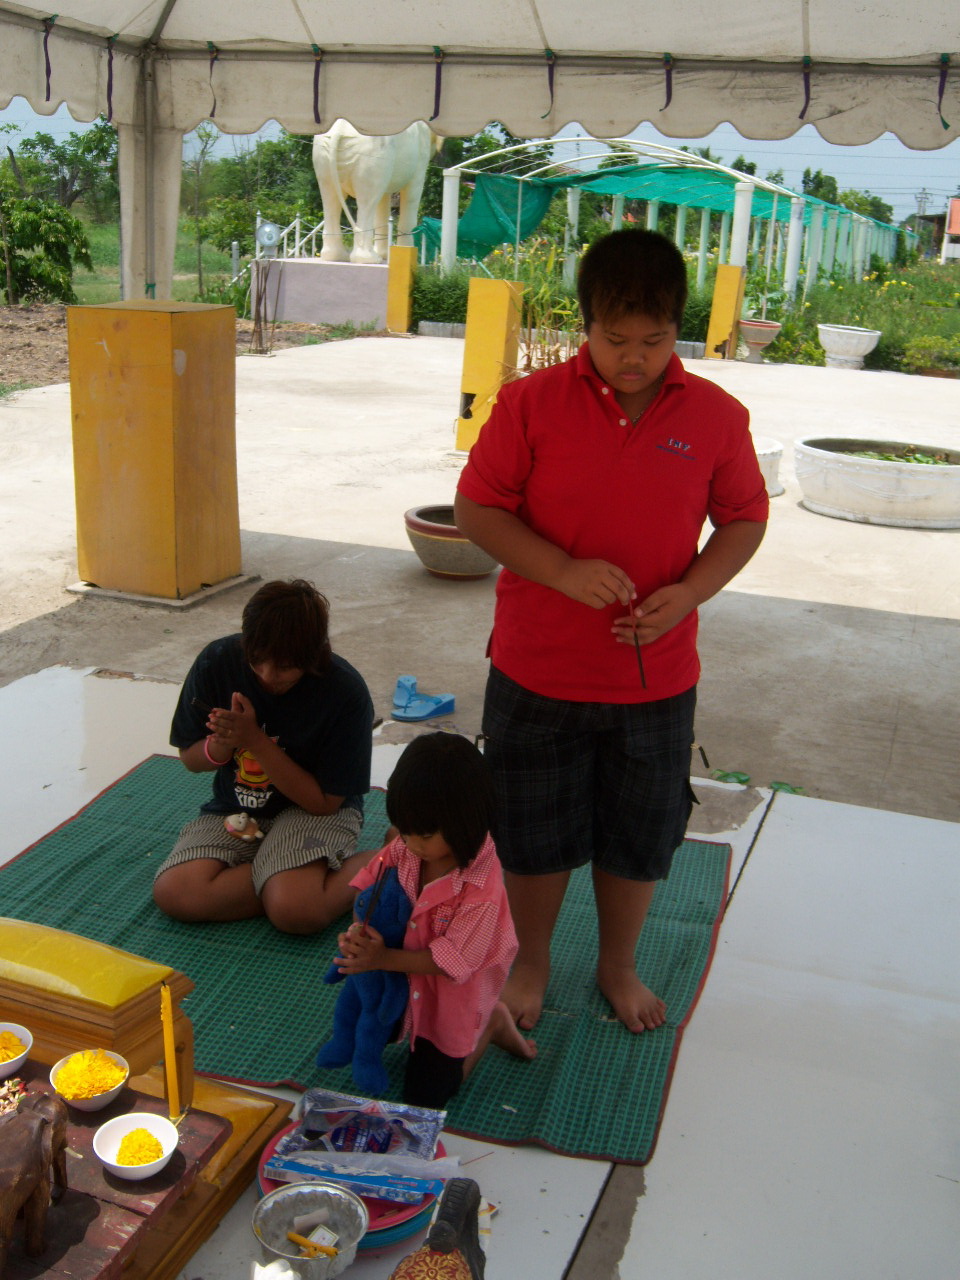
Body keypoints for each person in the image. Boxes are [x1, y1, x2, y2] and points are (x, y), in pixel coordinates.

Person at [454, 228, 769, 1035]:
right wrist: (560, 570)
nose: (633, 358)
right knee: (532, 829)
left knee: (640, 833)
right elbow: (477, 508)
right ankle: (530, 962)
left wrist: (690, 592)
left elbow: (744, 518)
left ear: (678, 328)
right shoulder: (530, 404)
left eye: (654, 340)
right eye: (614, 338)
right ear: (586, 323)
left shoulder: (716, 417)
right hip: (537, 668)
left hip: (653, 677)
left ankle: (617, 965)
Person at [153, 579, 374, 934]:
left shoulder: (344, 693)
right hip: (238, 807)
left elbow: (324, 803)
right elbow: (190, 760)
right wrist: (223, 743)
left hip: (311, 811)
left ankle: (385, 861)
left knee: (295, 913)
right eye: (256, 661)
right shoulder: (217, 662)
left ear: (315, 655)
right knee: (175, 893)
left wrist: (255, 741)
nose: (268, 677)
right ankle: (282, 876)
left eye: (284, 667)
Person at [334, 732, 535, 1109]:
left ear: (464, 823)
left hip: (453, 996)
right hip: (403, 976)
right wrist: (358, 931)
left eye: (423, 835)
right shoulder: (407, 845)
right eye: (403, 830)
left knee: (426, 1098)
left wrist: (381, 958)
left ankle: (491, 1023)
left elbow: (452, 962)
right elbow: (370, 886)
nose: (410, 843)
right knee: (368, 1015)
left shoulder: (481, 888)